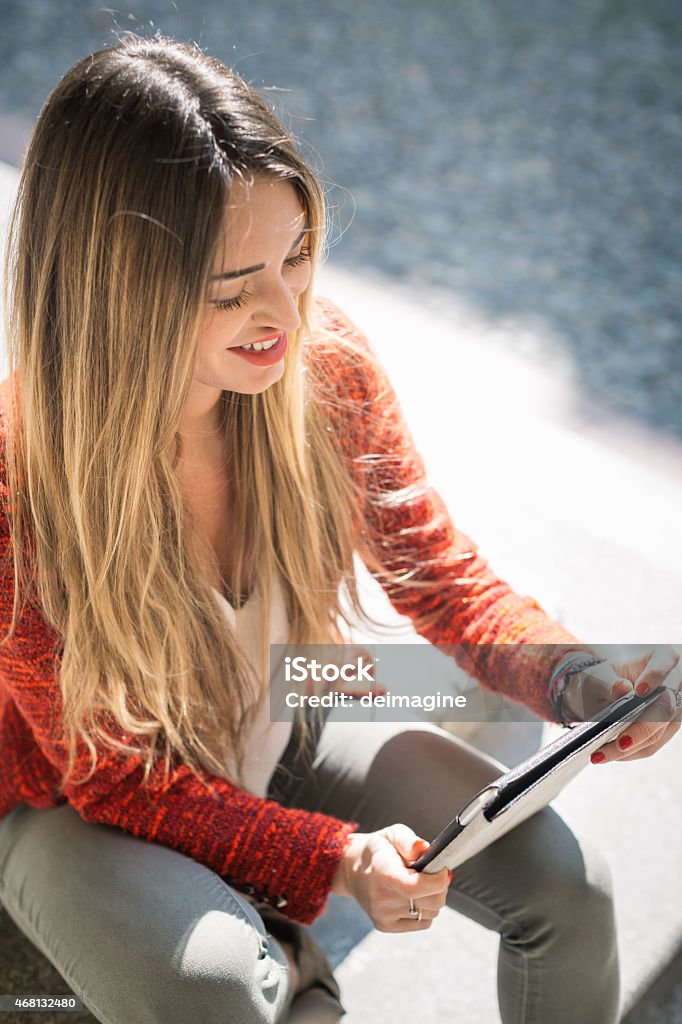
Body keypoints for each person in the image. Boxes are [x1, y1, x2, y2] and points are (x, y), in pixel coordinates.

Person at [0, 34, 679, 1024]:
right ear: (118, 285)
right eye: (234, 288)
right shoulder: (17, 475)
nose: (286, 308)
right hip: (75, 800)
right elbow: (116, 779)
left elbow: (441, 579)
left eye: (297, 253)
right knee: (216, 992)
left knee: (570, 886)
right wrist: (333, 861)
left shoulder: (326, 372)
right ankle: (288, 958)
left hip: (283, 699)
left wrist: (575, 675)